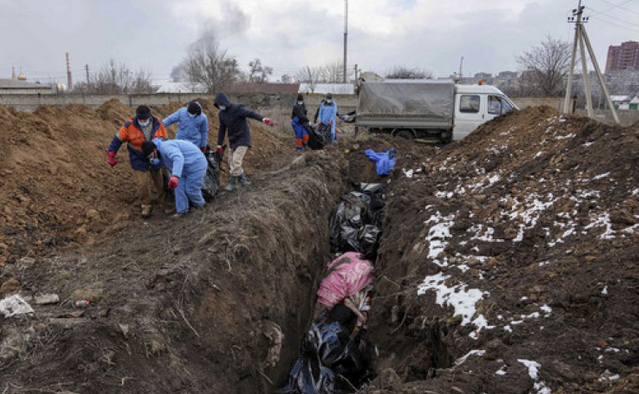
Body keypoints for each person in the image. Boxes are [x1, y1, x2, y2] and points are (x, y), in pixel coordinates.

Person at [107, 105, 169, 218]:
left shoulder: (158, 124)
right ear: (137, 118)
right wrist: (111, 154)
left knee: (160, 181)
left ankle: (165, 204)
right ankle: (146, 206)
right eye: (141, 120)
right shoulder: (129, 125)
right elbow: (117, 139)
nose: (143, 122)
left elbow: (165, 141)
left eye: (145, 120)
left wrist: (162, 156)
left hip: (155, 155)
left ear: (150, 117)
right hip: (138, 157)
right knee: (142, 184)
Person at [213, 93, 275, 191]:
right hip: (233, 139)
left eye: (221, 103)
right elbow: (222, 130)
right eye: (218, 104)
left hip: (243, 138)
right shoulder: (222, 114)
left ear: (225, 102)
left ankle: (232, 183)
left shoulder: (236, 109)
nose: (220, 105)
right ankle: (242, 181)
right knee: (231, 162)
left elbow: (250, 114)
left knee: (236, 160)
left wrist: (263, 119)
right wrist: (219, 144)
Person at [141, 138, 207, 217]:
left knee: (191, 190)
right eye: (149, 157)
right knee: (179, 188)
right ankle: (182, 211)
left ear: (154, 149)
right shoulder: (159, 153)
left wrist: (175, 176)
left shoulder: (166, 148)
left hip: (196, 164)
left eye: (151, 155)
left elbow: (178, 158)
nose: (151, 157)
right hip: (184, 168)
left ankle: (202, 207)